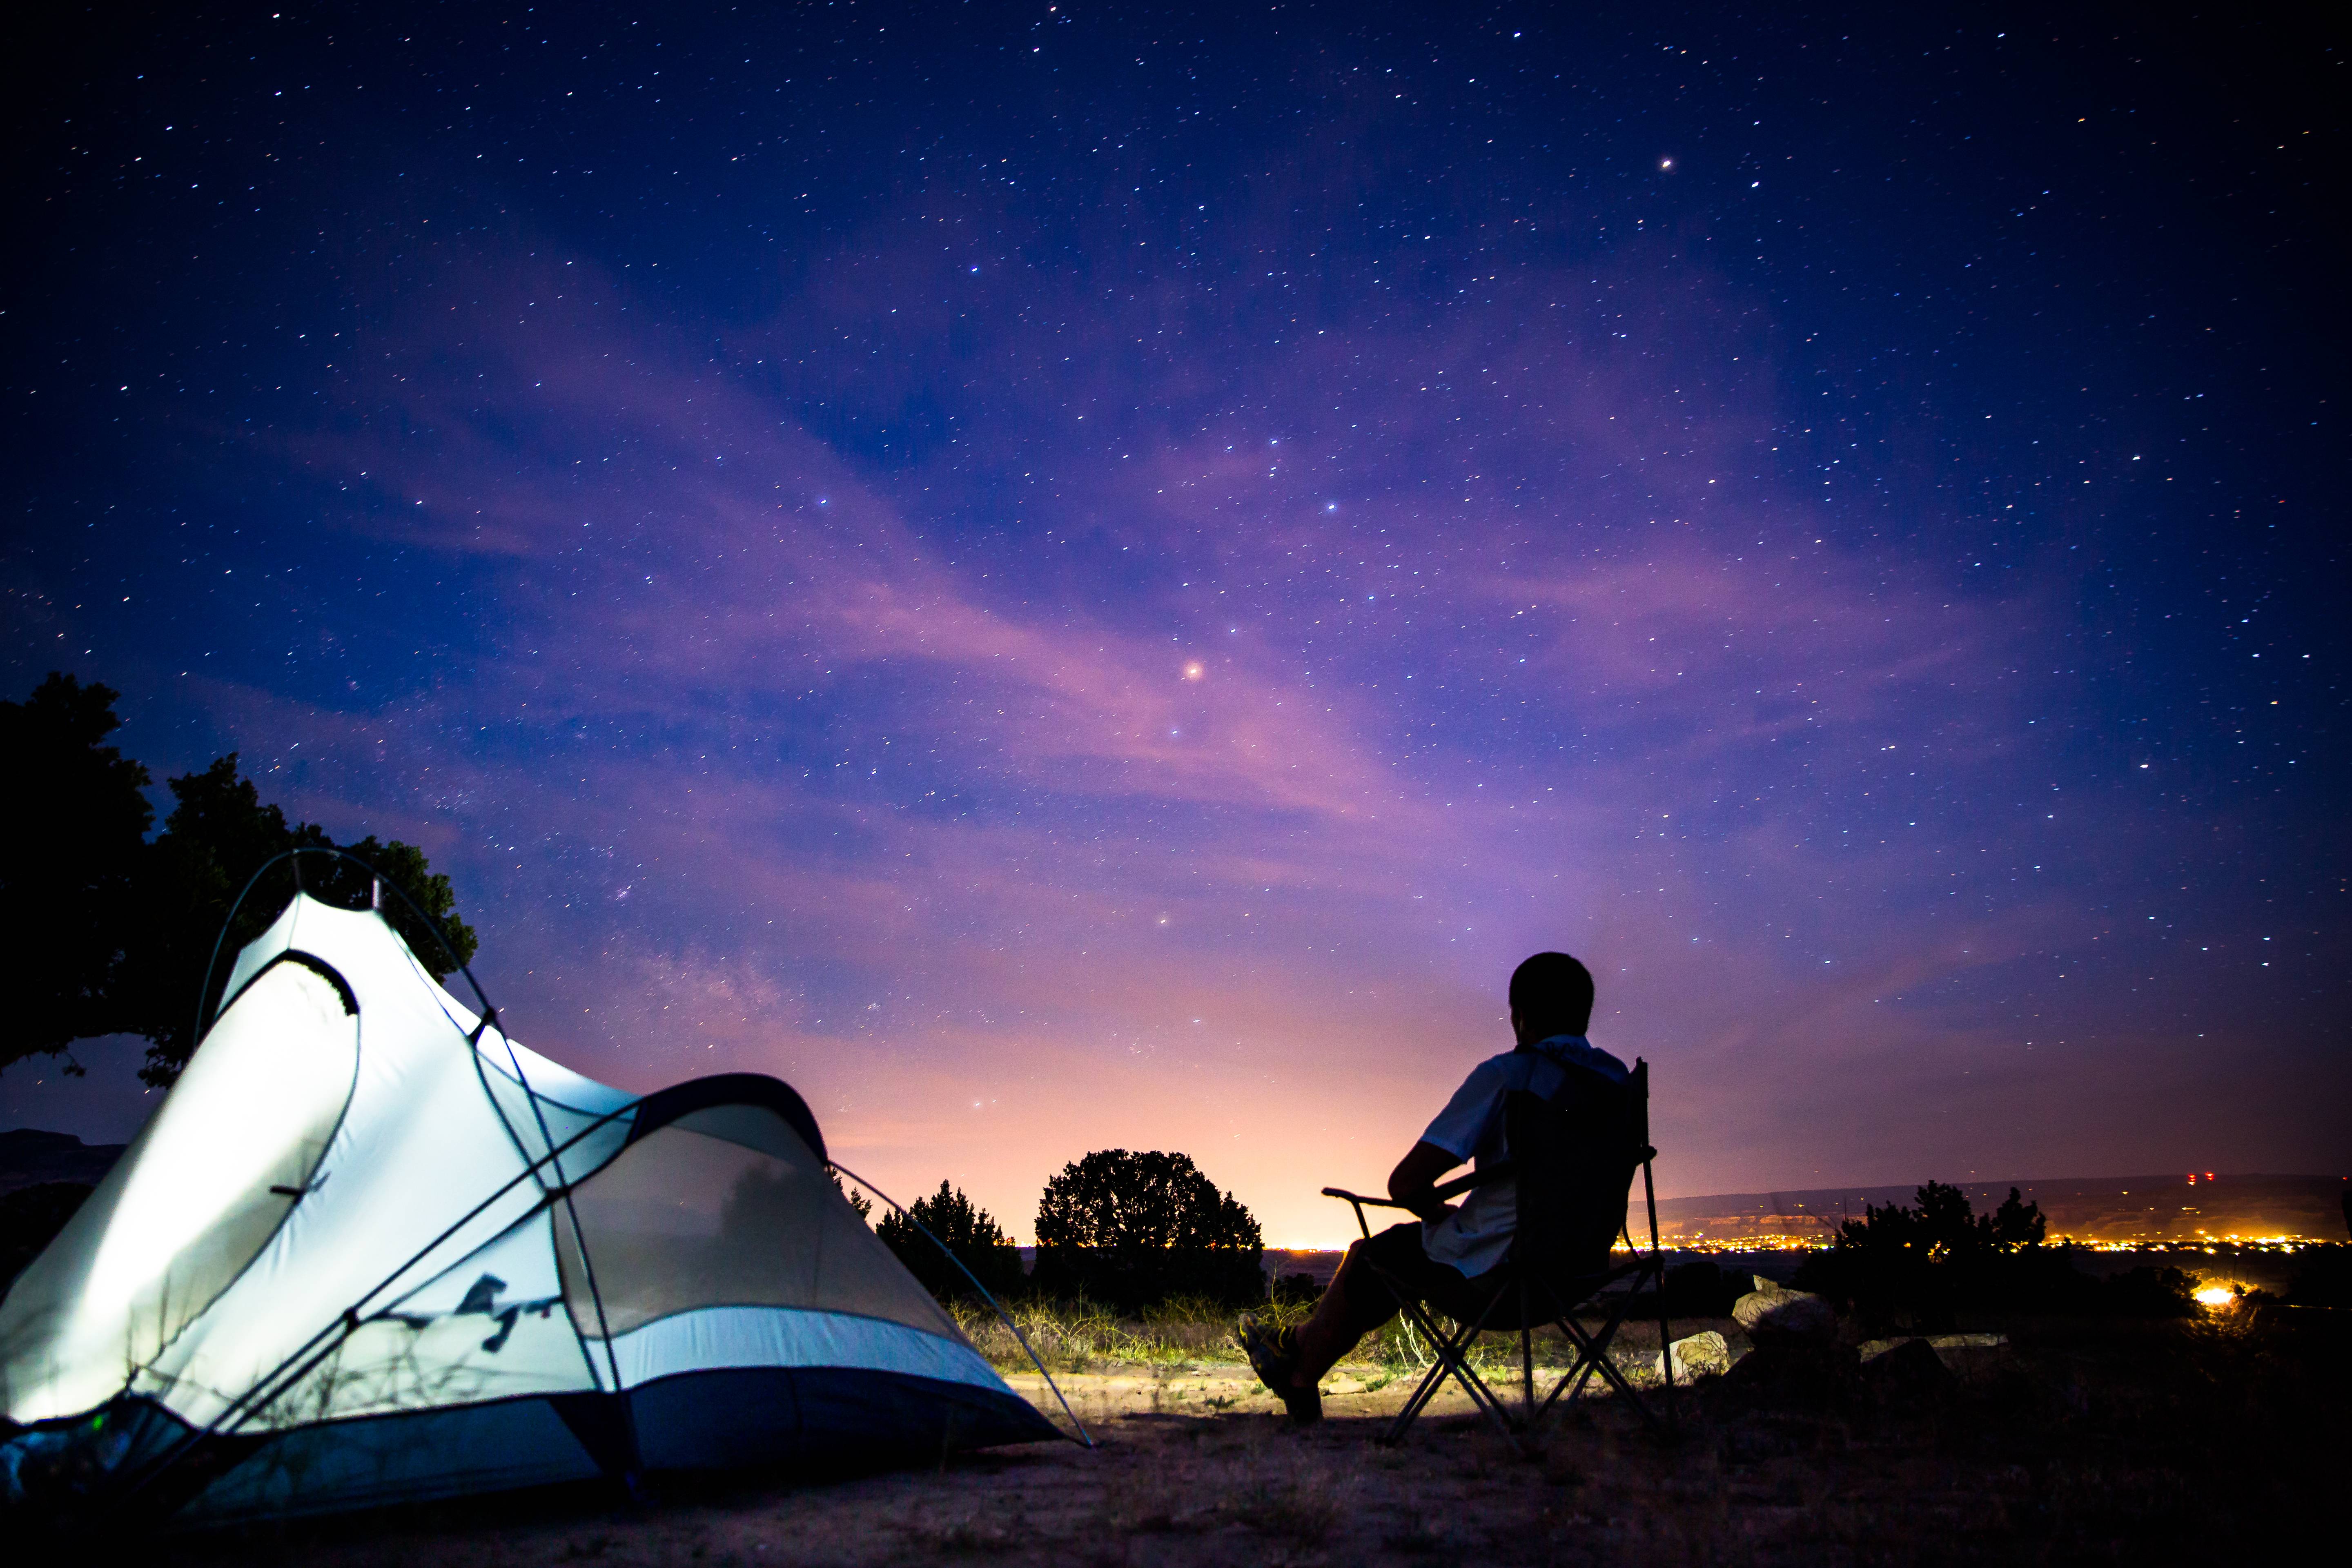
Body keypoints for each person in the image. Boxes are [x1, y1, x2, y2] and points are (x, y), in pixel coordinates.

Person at [1236, 951, 1628, 1423]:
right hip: (1581, 1273)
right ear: (1584, 1013)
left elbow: (1405, 1184)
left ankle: (1297, 1372)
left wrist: (1438, 1212)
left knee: (1372, 1258)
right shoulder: (1617, 1084)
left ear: (1519, 1016)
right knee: (1399, 1254)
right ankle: (1293, 1346)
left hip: (1503, 1276)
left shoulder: (1509, 1076)